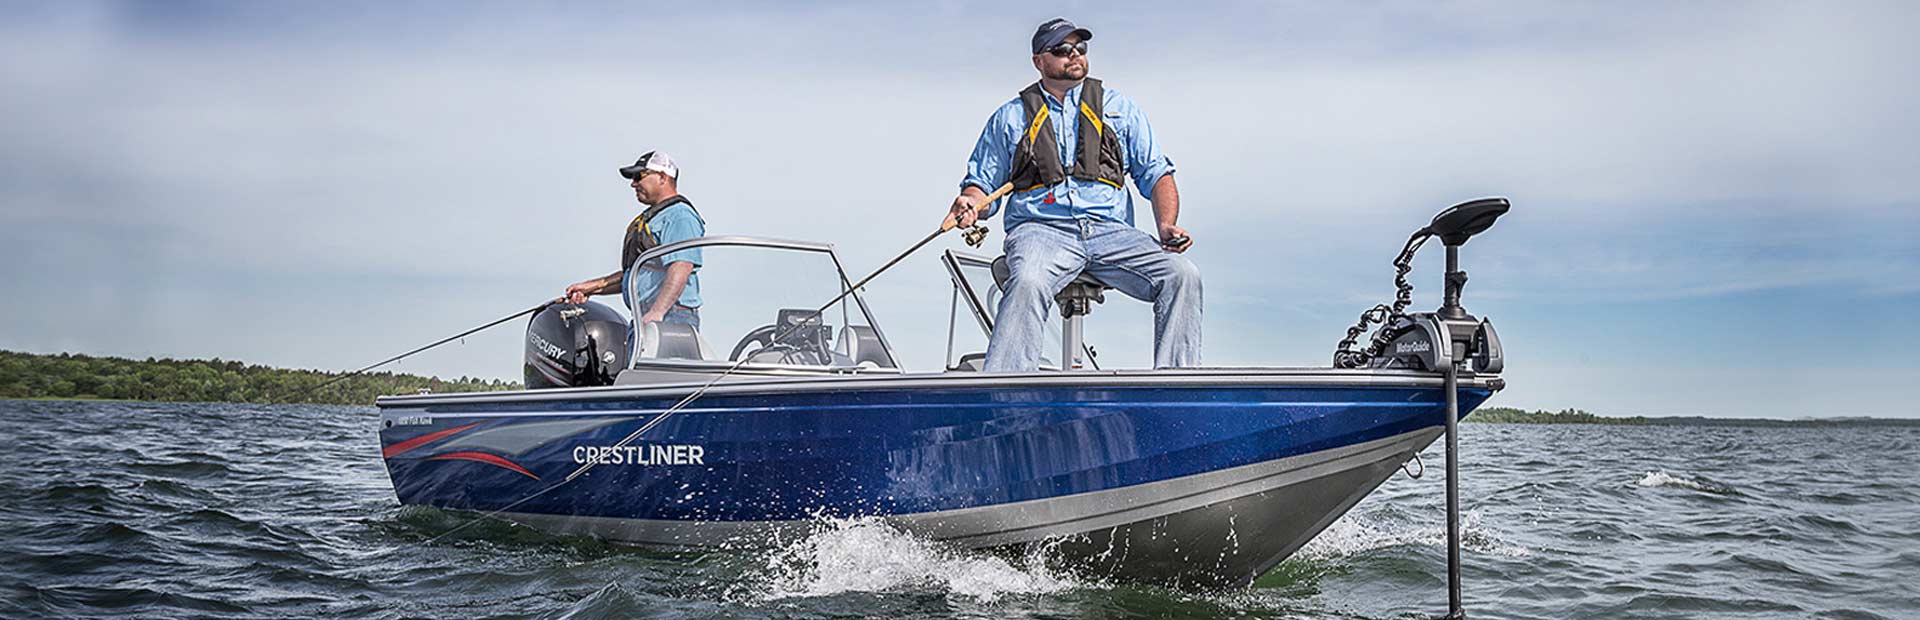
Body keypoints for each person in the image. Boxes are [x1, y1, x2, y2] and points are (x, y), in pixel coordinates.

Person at [946, 18, 1202, 371]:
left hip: (1111, 233)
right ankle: (1005, 390)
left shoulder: (1121, 109)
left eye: (1080, 48)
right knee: (1029, 279)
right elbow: (981, 183)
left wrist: (1166, 225)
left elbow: (1157, 173)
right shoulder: (1009, 118)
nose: (1074, 55)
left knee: (1182, 274)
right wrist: (971, 203)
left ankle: (1177, 386)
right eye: (1062, 50)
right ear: (1039, 60)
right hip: (1040, 231)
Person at [565, 151, 706, 329]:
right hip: (646, 317)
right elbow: (637, 273)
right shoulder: (654, 217)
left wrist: (658, 312)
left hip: (670, 317)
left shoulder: (680, 216)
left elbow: (681, 266)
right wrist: (591, 287)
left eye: (639, 177)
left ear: (662, 177)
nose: (633, 184)